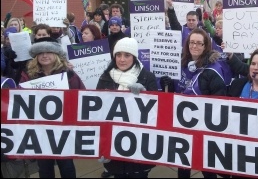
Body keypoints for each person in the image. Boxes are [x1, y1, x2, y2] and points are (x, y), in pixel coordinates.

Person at [160, 28, 227, 178]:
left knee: (206, 166)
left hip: (203, 126)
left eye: (199, 43)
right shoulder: (182, 63)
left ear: (205, 46)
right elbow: (174, 94)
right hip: (182, 123)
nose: (194, 46)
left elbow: (219, 101)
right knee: (183, 162)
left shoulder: (213, 70)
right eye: (192, 43)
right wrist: (168, 84)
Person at [19, 37, 85, 178]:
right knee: (44, 168)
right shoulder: (28, 76)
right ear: (36, 56)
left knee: (67, 166)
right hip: (40, 130)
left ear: (56, 55)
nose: (44, 55)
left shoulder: (69, 74)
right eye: (41, 52)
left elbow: (81, 96)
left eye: (48, 52)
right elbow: (21, 99)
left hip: (64, 128)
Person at [96, 37, 157, 178]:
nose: (122, 59)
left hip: (139, 144)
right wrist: (101, 146)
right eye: (118, 55)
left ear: (134, 57)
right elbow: (97, 113)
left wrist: (145, 94)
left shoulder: (147, 77)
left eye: (127, 55)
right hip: (114, 144)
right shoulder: (106, 77)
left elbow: (156, 113)